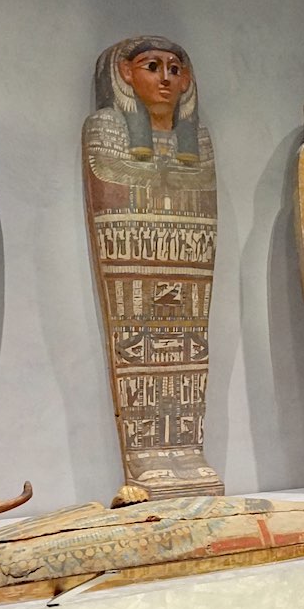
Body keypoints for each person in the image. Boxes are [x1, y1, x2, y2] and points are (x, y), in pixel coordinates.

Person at [82, 36, 222, 499]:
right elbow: (110, 182)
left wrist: (158, 175)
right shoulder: (106, 126)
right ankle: (148, 453)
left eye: (174, 69)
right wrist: (162, 176)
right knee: (138, 349)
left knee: (188, 348)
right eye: (152, 66)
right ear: (125, 73)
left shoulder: (197, 138)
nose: (165, 78)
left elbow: (201, 191)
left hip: (189, 250)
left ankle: (187, 448)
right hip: (131, 249)